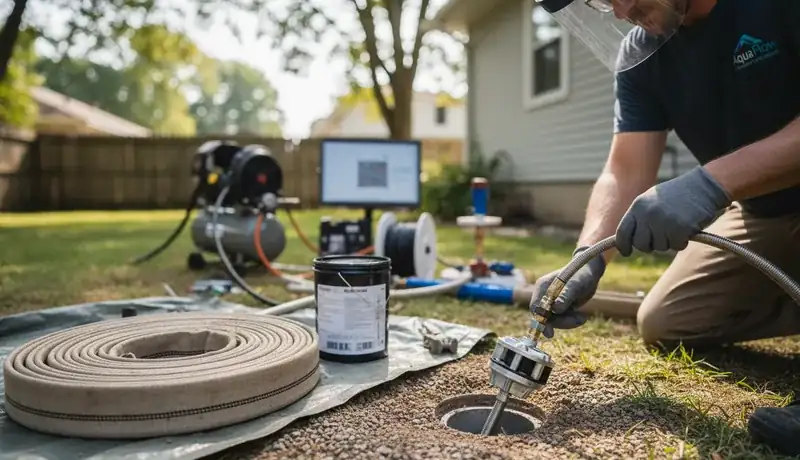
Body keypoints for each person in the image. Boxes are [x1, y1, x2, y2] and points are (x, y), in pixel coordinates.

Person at [529, 0, 800, 455]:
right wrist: (584, 258)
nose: (618, 11)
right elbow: (625, 167)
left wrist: (714, 183)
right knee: (670, 320)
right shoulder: (643, 52)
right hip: (762, 211)